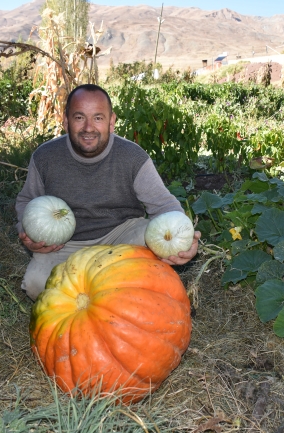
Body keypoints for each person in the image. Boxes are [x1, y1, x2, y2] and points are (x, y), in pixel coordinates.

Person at [16, 83, 200, 300]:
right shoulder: (46, 157)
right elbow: (27, 199)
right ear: (66, 121)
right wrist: (25, 231)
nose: (88, 128)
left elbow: (164, 205)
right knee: (36, 285)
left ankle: (126, 297)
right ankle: (110, 295)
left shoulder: (132, 157)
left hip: (122, 235)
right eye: (79, 117)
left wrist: (184, 238)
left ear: (111, 122)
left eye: (98, 118)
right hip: (64, 244)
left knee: (155, 242)